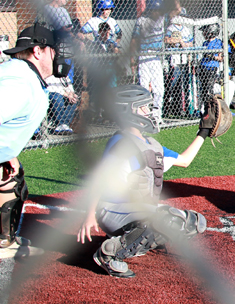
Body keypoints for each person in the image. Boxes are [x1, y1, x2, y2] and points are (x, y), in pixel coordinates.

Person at [0, 24, 70, 304]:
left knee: (12, 178)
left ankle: (4, 243)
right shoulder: (21, 80)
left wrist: (4, 153)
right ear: (37, 51)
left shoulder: (25, 75)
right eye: (53, 50)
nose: (58, 56)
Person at [76, 84, 209, 278]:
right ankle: (109, 254)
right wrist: (90, 215)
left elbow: (184, 160)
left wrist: (203, 131)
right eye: (143, 107)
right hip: (112, 209)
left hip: (134, 211)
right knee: (165, 219)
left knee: (192, 223)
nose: (149, 111)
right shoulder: (121, 142)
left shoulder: (150, 145)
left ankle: (134, 239)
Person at [131, 0, 166, 124]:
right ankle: (144, 115)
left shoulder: (162, 20)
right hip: (144, 55)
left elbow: (177, 11)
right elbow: (134, 39)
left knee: (159, 89)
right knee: (144, 87)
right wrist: (132, 57)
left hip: (156, 56)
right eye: (155, 10)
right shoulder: (141, 21)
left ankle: (157, 115)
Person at [164, 0, 194, 118]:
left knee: (185, 85)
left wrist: (184, 44)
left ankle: (183, 109)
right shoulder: (171, 27)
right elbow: (166, 39)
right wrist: (178, 41)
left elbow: (190, 43)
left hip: (185, 60)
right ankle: (169, 108)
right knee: (173, 85)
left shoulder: (186, 29)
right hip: (174, 60)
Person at [199, 23, 224, 99]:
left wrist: (212, 57)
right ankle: (204, 103)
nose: (203, 34)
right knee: (203, 88)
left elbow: (220, 58)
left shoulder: (218, 42)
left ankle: (211, 102)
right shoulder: (205, 43)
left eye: (205, 31)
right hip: (203, 67)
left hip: (212, 67)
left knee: (209, 88)